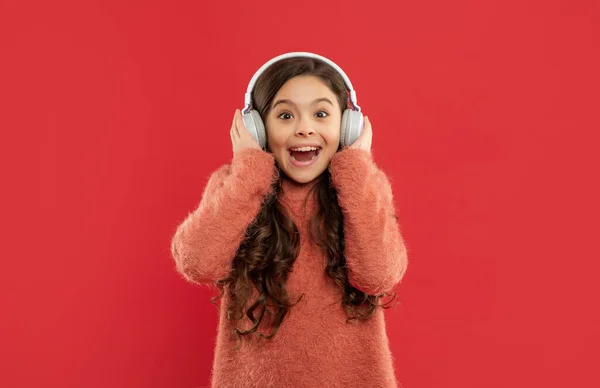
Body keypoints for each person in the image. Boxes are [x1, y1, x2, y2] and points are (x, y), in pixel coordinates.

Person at [170, 52, 409, 388]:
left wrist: (355, 169)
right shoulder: (236, 185)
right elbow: (197, 262)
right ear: (258, 127)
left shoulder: (363, 187)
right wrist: (248, 173)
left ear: (347, 126)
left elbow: (379, 275)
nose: (304, 128)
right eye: (285, 115)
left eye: (322, 113)